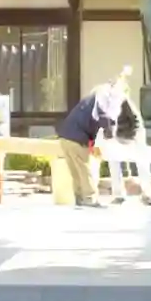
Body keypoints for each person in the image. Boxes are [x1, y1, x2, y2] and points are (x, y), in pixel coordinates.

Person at [55, 81, 121, 209]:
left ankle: (79, 197)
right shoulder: (101, 100)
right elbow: (104, 118)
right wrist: (110, 132)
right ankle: (90, 198)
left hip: (64, 137)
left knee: (76, 170)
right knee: (85, 170)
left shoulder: (88, 101)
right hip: (77, 138)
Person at [101, 68, 151, 206]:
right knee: (113, 161)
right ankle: (118, 194)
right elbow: (105, 123)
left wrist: (131, 139)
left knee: (142, 162)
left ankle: (147, 194)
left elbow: (136, 122)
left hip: (134, 135)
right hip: (118, 136)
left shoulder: (124, 102)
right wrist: (108, 137)